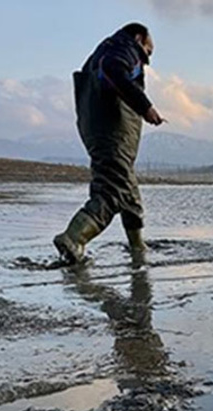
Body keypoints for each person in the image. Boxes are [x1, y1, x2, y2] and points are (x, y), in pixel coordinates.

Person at [54, 22, 165, 266]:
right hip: (110, 132)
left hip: (97, 129)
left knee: (129, 191)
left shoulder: (102, 51)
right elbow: (112, 70)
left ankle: (137, 248)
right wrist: (145, 107)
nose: (147, 61)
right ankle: (74, 238)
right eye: (148, 51)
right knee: (113, 190)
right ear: (138, 38)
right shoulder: (123, 48)